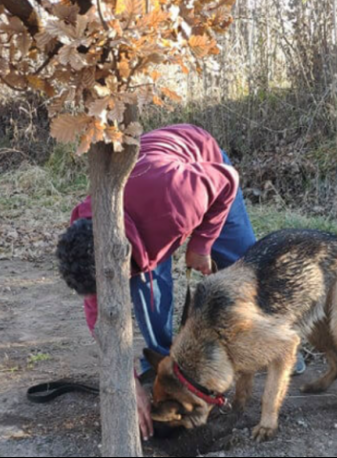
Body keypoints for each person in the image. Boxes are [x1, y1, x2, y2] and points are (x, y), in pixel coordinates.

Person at [56, 124, 304, 441]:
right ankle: (168, 366)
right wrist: (128, 382)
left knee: (247, 267)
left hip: (202, 168)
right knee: (149, 291)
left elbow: (226, 181)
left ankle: (275, 346)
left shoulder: (176, 198)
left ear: (121, 259)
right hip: (138, 218)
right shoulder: (92, 242)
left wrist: (201, 245)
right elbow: (99, 315)